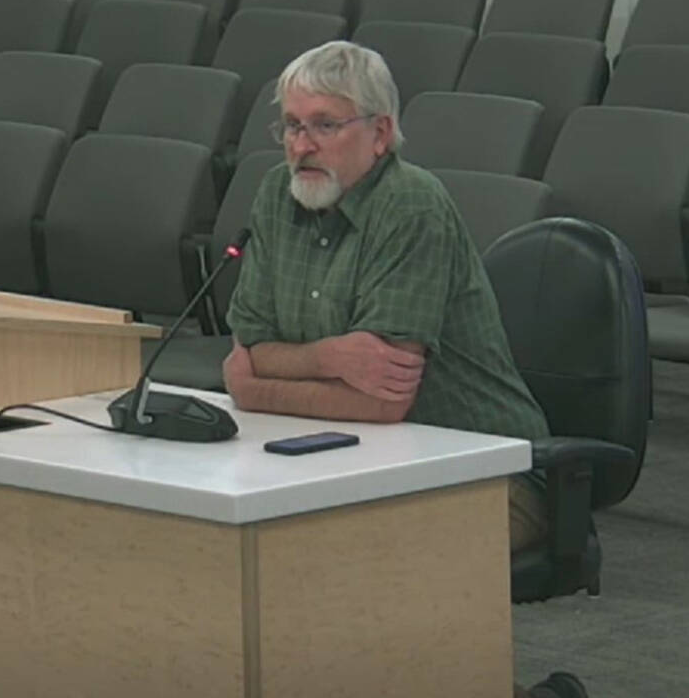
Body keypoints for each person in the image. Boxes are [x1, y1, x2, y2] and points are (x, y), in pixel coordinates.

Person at [221, 40, 587, 698]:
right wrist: (328, 359)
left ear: (380, 133)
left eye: (325, 125)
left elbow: (383, 400)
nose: (302, 145)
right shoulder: (279, 193)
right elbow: (247, 343)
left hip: (485, 471)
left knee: (344, 566)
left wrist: (258, 382)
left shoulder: (410, 204)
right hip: (355, 461)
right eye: (292, 125)